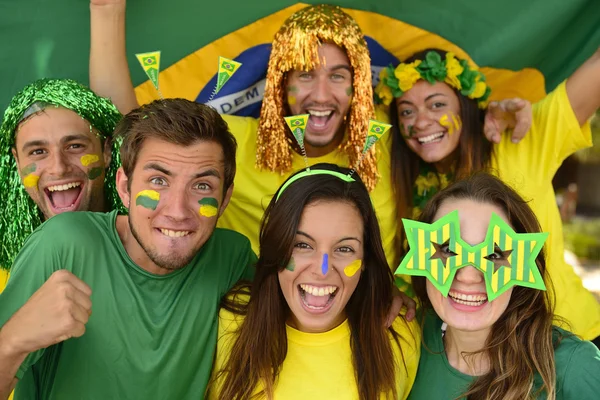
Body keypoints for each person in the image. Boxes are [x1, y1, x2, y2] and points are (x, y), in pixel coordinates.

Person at [89, 0, 527, 270]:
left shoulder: (391, 135)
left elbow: (447, 127)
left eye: (338, 76)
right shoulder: (236, 140)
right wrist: (107, 12)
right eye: (304, 75)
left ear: (359, 86)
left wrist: (493, 114)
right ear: (279, 83)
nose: (321, 95)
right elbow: (130, 132)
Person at [0, 99, 256, 399]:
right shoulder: (62, 244)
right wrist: (12, 341)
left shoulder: (232, 257)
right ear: (124, 187)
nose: (177, 211)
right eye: (158, 180)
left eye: (201, 186)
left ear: (224, 199)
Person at [375, 47, 600, 343]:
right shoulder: (398, 181)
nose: (419, 121)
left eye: (437, 104)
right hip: (476, 360)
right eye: (406, 111)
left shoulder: (521, 138)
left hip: (570, 339)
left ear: (465, 107)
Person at [209, 164, 419, 399]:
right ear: (276, 247)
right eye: (302, 245)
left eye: (345, 248)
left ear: (366, 259)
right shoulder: (229, 320)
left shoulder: (398, 333)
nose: (322, 270)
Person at [399, 172, 600, 400]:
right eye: (448, 250)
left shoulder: (573, 369)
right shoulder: (404, 344)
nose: (467, 276)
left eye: (494, 254)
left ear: (524, 268)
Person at [0, 78, 123, 294]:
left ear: (106, 152)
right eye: (38, 151)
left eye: (75, 146)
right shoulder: (7, 271)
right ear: (18, 163)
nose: (59, 168)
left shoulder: (150, 241)